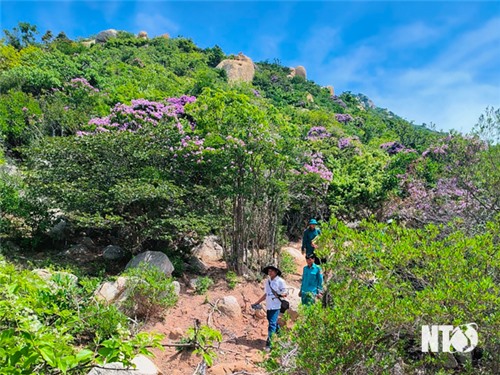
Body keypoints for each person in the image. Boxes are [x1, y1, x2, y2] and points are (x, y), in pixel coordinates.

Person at [252, 265, 288, 350]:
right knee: (273, 322)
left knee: (271, 324)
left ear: (276, 272)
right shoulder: (267, 282)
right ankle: (282, 336)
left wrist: (279, 294)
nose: (270, 272)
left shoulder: (280, 281)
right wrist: (257, 302)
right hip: (269, 305)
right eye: (269, 271)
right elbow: (266, 294)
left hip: (276, 305)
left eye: (272, 271)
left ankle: (269, 344)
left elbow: (285, 293)